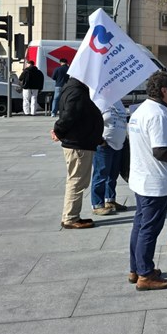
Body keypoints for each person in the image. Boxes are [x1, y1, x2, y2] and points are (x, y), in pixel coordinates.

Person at [127, 71, 167, 290]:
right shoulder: (158, 115)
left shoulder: (142, 110)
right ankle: (145, 275)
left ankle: (137, 268)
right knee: (149, 229)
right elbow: (161, 151)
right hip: (154, 180)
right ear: (164, 91)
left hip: (142, 177)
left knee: (140, 225)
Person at [51, 78, 104, 229]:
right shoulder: (77, 92)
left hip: (80, 142)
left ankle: (72, 215)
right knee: (77, 181)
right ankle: (71, 217)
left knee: (76, 180)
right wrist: (58, 131)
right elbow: (69, 116)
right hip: (78, 144)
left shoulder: (74, 89)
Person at [90, 101, 129, 216]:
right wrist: (100, 141)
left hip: (118, 144)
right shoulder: (98, 102)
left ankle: (110, 200)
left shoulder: (118, 102)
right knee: (101, 174)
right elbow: (91, 123)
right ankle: (97, 204)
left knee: (113, 175)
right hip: (104, 145)